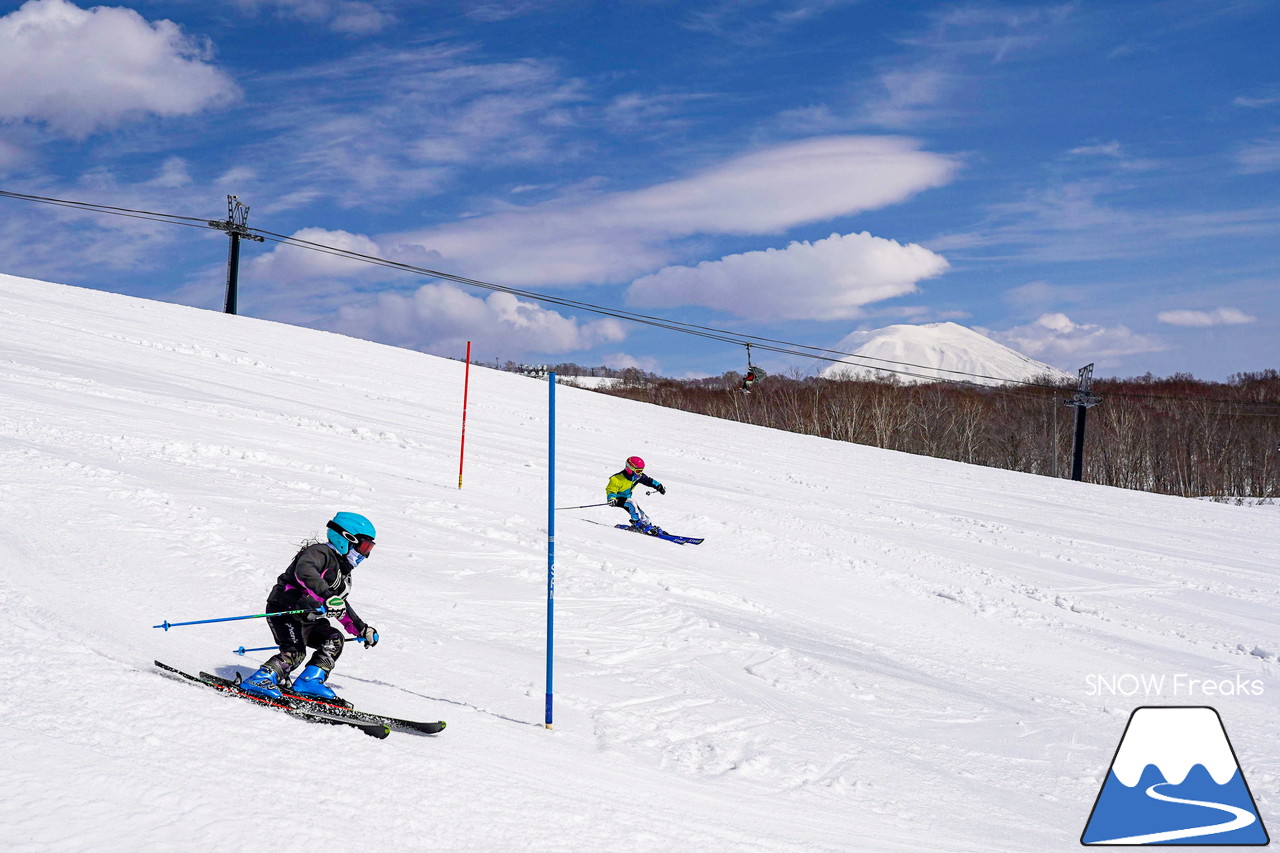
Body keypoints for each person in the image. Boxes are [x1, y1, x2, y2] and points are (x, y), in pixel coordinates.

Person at [240, 512, 380, 706]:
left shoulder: (342, 572)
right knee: (295, 651)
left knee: (334, 639)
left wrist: (361, 629)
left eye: (369, 548)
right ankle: (260, 680)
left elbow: (340, 604)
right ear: (346, 538)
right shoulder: (320, 553)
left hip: (309, 617)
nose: (365, 554)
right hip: (287, 609)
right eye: (364, 546)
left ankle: (309, 682)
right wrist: (327, 596)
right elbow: (305, 572)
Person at [606, 456, 666, 535]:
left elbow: (649, 481)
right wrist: (611, 499)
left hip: (627, 499)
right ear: (630, 469)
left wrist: (659, 486)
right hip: (616, 500)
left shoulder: (637, 476)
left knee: (642, 515)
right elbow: (611, 490)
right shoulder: (616, 478)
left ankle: (648, 526)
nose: (640, 473)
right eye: (638, 471)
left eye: (641, 471)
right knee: (631, 503)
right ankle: (638, 524)